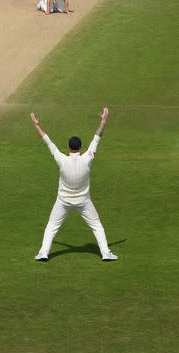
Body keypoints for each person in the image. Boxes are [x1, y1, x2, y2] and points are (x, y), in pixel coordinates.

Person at [30, 108, 118, 262]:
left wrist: (37, 125)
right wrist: (103, 121)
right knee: (97, 226)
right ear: (80, 147)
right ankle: (105, 253)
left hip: (63, 201)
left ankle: (43, 253)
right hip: (83, 201)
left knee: (51, 227)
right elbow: (97, 138)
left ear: (69, 147)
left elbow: (48, 142)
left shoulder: (62, 159)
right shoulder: (87, 158)